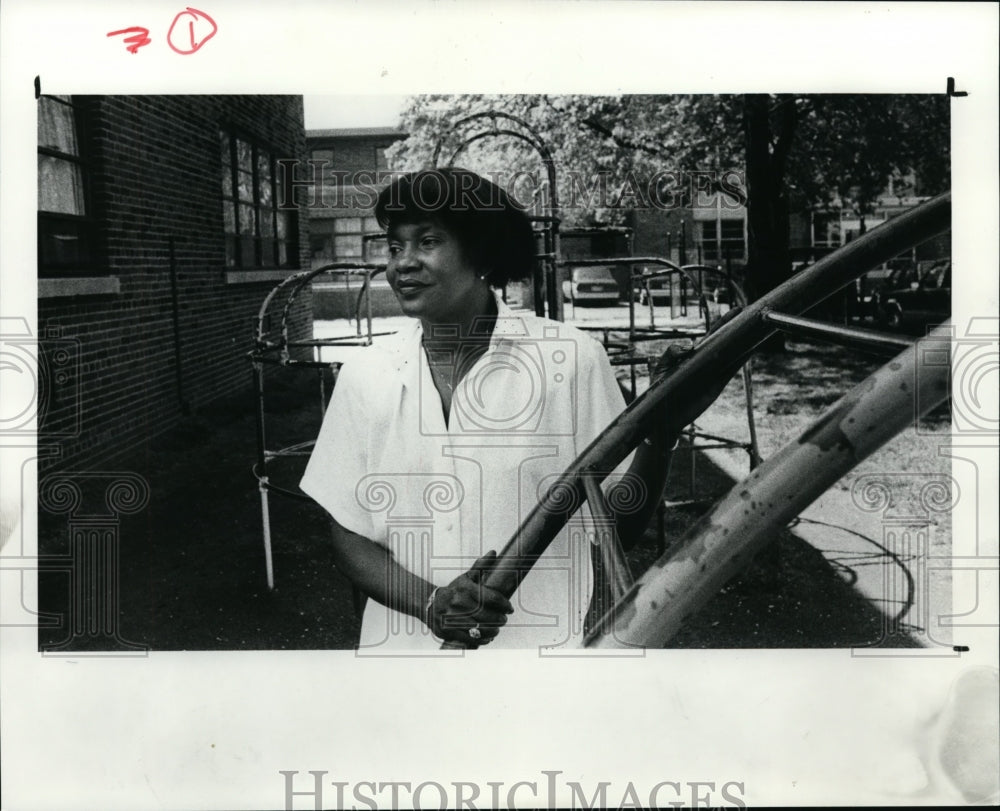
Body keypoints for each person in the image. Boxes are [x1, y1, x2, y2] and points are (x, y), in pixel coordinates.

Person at [301, 168, 673, 652]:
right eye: (395, 247)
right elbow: (347, 533)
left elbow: (617, 526)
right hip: (399, 669)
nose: (402, 264)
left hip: (536, 669)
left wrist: (659, 436)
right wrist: (431, 604)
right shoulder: (365, 374)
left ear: (479, 251)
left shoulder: (570, 360)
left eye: (427, 241)